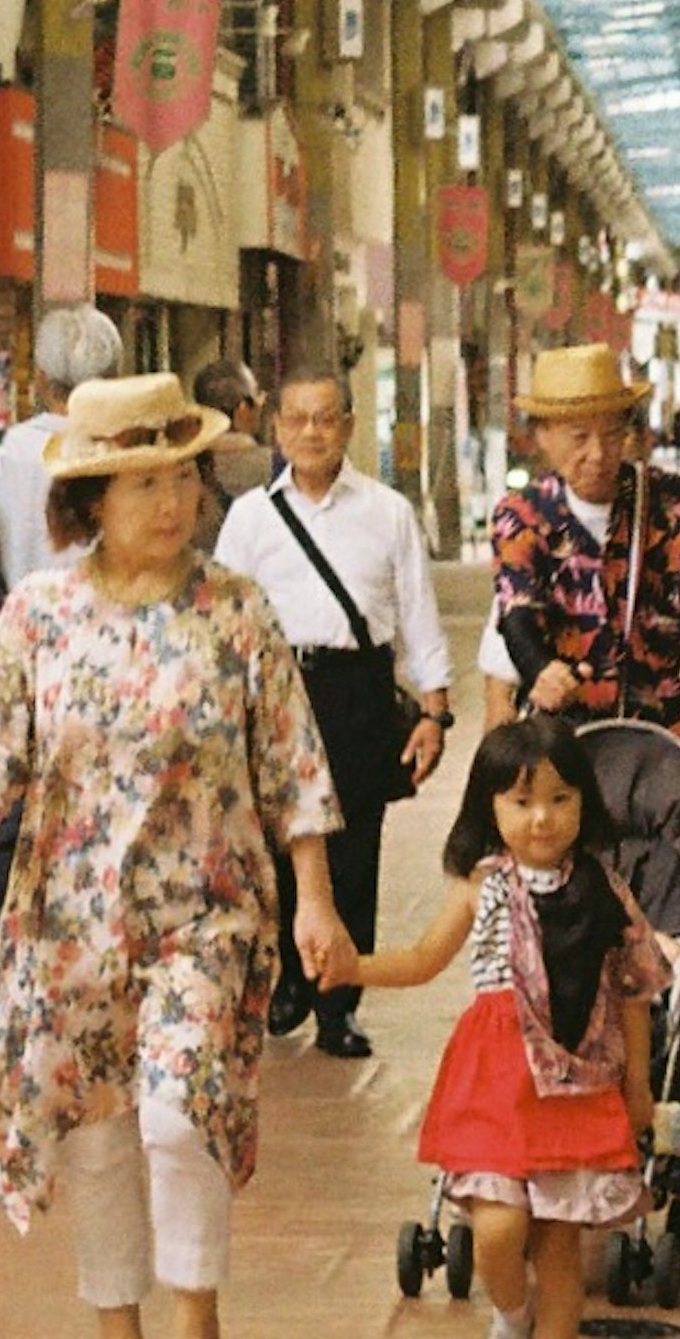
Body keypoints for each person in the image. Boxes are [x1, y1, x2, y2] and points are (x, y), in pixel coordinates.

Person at [0, 371, 352, 1339]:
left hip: (209, 913)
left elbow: (293, 760)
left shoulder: (236, 611)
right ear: (92, 500)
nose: (173, 500)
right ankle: (120, 1323)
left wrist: (315, 898)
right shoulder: (40, 612)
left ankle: (196, 1316)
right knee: (100, 1129)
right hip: (70, 922)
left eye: (184, 475)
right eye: (144, 481)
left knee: (177, 1109)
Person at [357, 716, 669, 1339]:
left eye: (560, 799)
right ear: (490, 807)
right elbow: (424, 959)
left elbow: (636, 990)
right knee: (497, 1230)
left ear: (585, 800)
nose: (542, 819)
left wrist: (638, 1085)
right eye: (521, 802)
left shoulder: (606, 891)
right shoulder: (483, 885)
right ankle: (512, 1312)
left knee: (559, 1247)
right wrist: (352, 967)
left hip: (575, 1084)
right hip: (495, 1084)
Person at [209, 360, 453, 1060]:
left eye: (326, 418)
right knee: (277, 845)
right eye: (297, 419)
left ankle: (339, 1003)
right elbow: (222, 618)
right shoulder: (252, 518)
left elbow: (417, 615)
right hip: (276, 694)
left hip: (359, 695)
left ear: (348, 424)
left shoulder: (388, 512)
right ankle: (286, 981)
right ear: (277, 428)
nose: (311, 432)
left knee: (352, 850)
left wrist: (435, 712)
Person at [0, 303, 127, 1057]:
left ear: (40, 377)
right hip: (114, 671)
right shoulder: (124, 454)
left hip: (17, 666)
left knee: (1, 831)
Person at [478, 344, 680, 737]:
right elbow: (517, 610)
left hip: (672, 740)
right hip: (568, 747)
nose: (598, 453)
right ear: (543, 435)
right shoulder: (522, 515)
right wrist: (540, 671)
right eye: (579, 437)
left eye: (612, 434)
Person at [190, 359, 271, 554]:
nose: (262, 402)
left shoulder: (185, 470)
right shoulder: (277, 468)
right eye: (257, 396)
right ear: (243, 409)